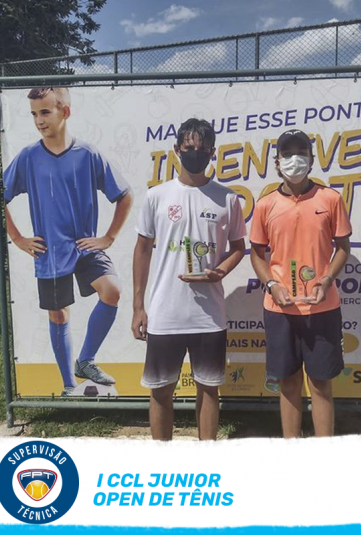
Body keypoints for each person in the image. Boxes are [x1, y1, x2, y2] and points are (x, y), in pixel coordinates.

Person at [3, 87, 133, 396]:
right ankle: (68, 387)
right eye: (34, 114)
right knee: (58, 314)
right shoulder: (28, 157)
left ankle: (85, 361)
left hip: (84, 247)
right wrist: (18, 238)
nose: (39, 120)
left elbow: (125, 195)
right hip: (50, 251)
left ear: (65, 112)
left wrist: (108, 237)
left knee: (112, 290)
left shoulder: (87, 154)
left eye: (45, 112)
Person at [132, 118, 246, 441]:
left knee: (208, 389)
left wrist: (220, 271)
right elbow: (142, 249)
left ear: (213, 152)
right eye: (189, 147)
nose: (195, 153)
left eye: (202, 149)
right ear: (176, 150)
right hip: (165, 313)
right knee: (160, 391)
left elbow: (239, 248)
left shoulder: (227, 199)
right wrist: (138, 307)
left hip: (209, 316)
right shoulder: (157, 196)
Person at [250, 129, 351, 438]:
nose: (294, 160)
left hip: (322, 307)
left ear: (311, 159)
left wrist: (327, 279)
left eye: (301, 153)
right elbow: (256, 254)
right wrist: (272, 285)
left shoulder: (330, 199)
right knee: (289, 382)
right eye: (287, 154)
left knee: (320, 383)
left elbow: (343, 248)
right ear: (277, 161)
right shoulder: (265, 205)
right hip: (280, 310)